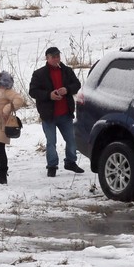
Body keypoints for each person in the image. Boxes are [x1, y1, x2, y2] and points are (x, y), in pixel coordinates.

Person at [29, 47, 83, 177]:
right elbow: (33, 91)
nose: (56, 59)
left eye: (58, 56)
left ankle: (70, 162)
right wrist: (49, 95)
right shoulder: (39, 74)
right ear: (47, 58)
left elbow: (77, 84)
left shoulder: (67, 71)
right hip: (49, 115)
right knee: (51, 142)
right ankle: (52, 166)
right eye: (53, 57)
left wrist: (67, 89)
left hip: (65, 113)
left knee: (71, 140)